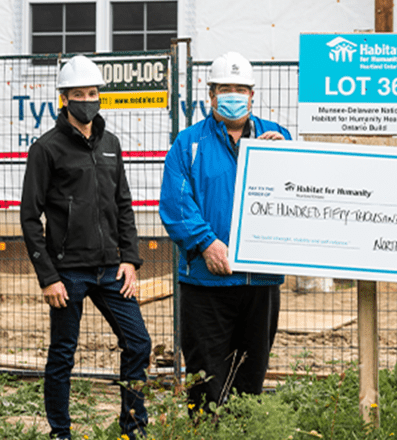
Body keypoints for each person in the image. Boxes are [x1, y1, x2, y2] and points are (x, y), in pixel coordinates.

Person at [20, 55, 151, 440]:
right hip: (68, 273)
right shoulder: (46, 149)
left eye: (93, 93)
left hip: (111, 269)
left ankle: (133, 427)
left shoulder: (111, 144)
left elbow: (123, 204)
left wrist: (131, 259)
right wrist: (48, 277)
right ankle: (61, 432)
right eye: (79, 94)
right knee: (63, 354)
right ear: (64, 99)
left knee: (138, 343)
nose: (87, 100)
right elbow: (30, 218)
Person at [159, 51, 291, 411]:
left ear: (252, 94)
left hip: (260, 281)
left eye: (240, 88)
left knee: (251, 375)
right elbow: (176, 203)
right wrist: (206, 243)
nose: (233, 95)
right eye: (224, 88)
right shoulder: (188, 144)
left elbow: (297, 195)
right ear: (210, 94)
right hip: (206, 281)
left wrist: (286, 159)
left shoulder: (277, 137)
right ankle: (205, 433)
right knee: (206, 376)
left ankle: (243, 431)